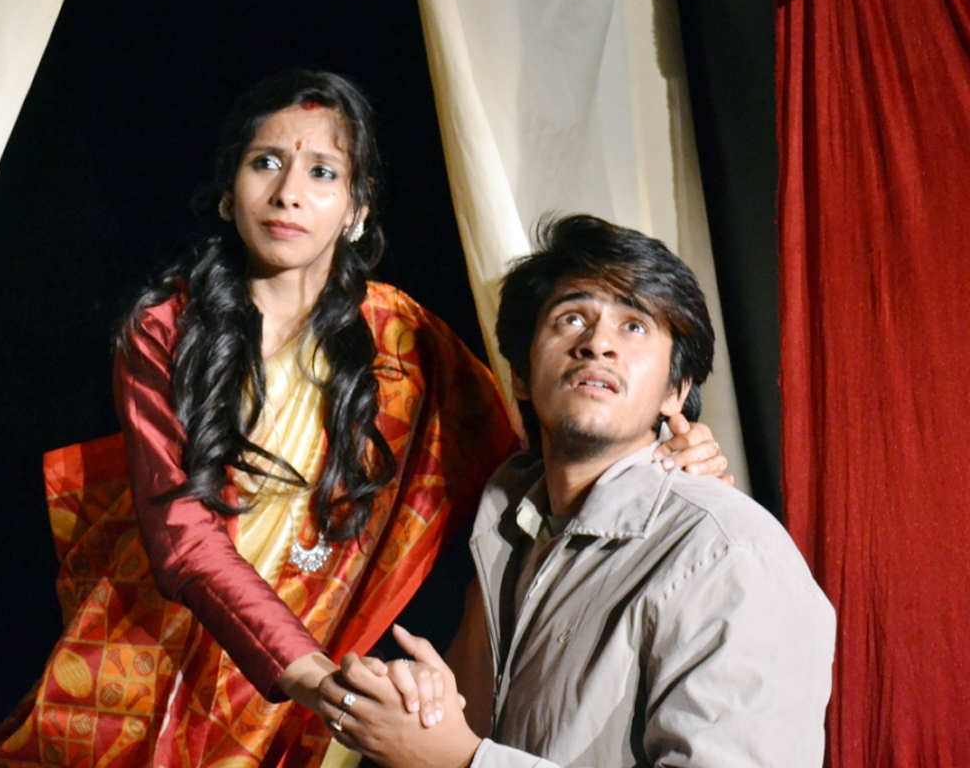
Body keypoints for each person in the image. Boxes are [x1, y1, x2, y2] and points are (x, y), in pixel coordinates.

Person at [0, 75, 727, 768]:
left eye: (322, 173)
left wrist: (663, 453)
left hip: (311, 688)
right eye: (265, 163)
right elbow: (181, 536)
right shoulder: (167, 329)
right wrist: (310, 676)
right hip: (152, 653)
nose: (288, 193)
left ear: (356, 209)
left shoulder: (402, 338)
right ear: (228, 194)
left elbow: (528, 459)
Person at [323, 215, 836, 767]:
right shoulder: (507, 532)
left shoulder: (730, 556)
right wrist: (413, 707)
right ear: (520, 376)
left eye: (634, 326)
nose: (597, 344)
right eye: (571, 318)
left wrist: (462, 761)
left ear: (676, 390)